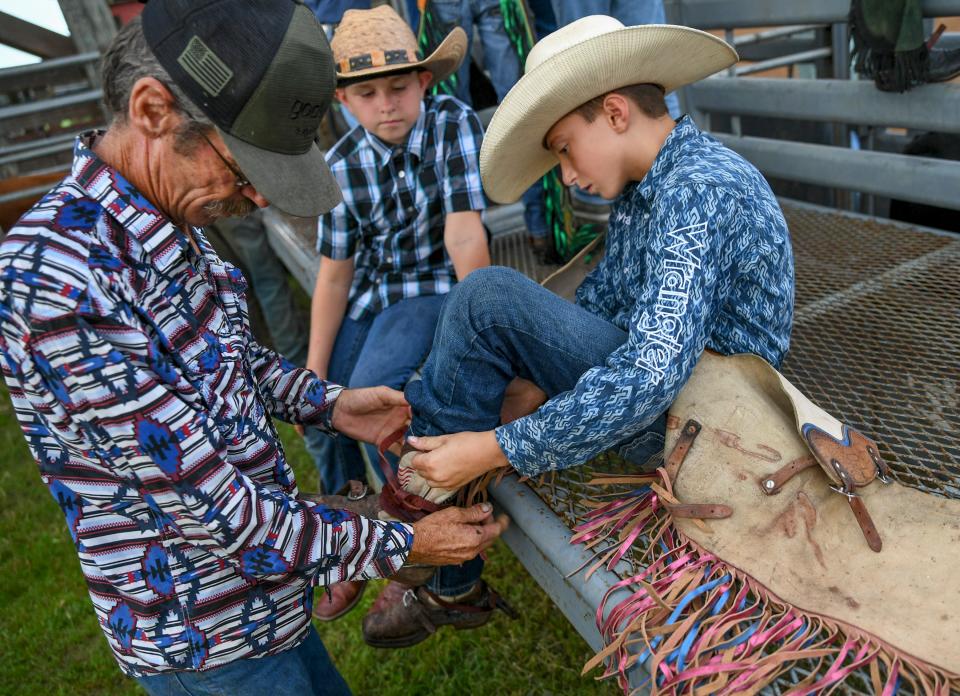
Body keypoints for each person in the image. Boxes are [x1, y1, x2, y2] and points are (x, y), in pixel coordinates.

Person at [0, 2, 505, 694]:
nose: (258, 198)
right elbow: (221, 512)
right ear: (152, 110)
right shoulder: (59, 283)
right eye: (245, 169)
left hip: (263, 611)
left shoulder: (160, 216)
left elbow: (222, 360)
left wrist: (333, 404)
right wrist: (406, 544)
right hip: (205, 637)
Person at [360, 16, 796, 647]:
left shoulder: (700, 188)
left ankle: (418, 532)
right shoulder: (653, 187)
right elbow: (599, 302)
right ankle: (427, 543)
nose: (564, 174)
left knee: (488, 297)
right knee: (491, 311)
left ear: (615, 112)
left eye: (564, 147)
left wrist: (498, 446)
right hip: (677, 397)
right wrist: (533, 387)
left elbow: (649, 377)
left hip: (710, 426)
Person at [301, 5, 492, 621]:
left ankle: (415, 546)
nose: (386, 104)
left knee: (366, 396)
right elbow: (334, 275)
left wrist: (485, 325)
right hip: (375, 291)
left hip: (434, 288)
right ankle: (347, 524)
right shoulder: (341, 167)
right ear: (344, 101)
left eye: (399, 86)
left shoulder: (455, 126)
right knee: (318, 406)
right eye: (367, 93)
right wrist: (310, 375)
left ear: (425, 83)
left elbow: (464, 236)